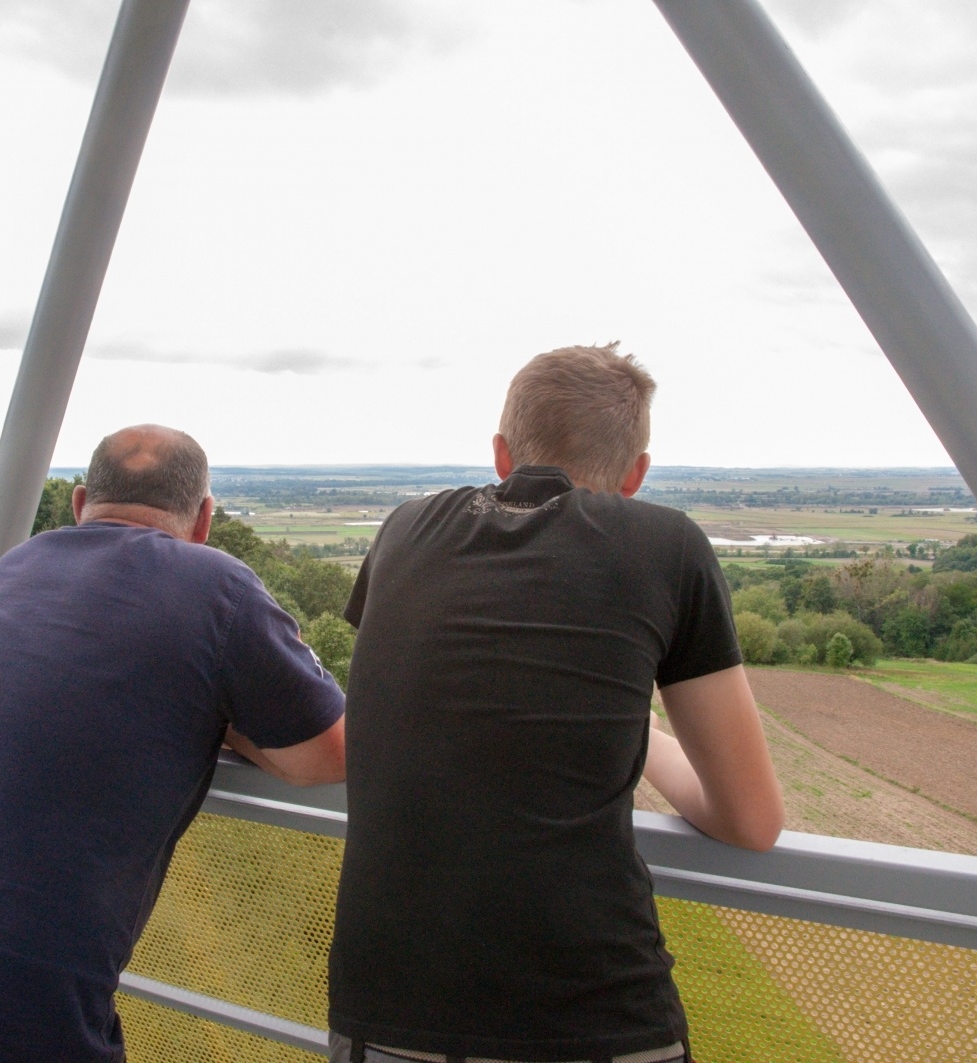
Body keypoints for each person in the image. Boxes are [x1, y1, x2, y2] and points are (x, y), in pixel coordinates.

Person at [0, 424, 346, 1063]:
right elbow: (325, 756)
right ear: (204, 519)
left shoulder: (15, 566)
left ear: (80, 504)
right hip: (1, 1011)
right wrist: (224, 712)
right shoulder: (220, 589)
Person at [327, 344, 785, 1063]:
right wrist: (645, 732)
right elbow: (752, 820)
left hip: (381, 1010)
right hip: (587, 1017)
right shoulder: (669, 545)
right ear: (636, 474)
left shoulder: (402, 530)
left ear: (502, 452)